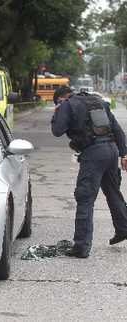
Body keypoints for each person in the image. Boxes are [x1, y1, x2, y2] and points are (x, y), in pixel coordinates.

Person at [51, 86, 127, 258]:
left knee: (85, 197)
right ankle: (123, 228)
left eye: (57, 103)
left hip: (93, 154)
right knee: (113, 192)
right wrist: (124, 154)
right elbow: (117, 130)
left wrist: (58, 111)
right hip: (111, 150)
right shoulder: (98, 101)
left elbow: (57, 131)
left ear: (61, 98)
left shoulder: (67, 105)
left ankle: (81, 246)